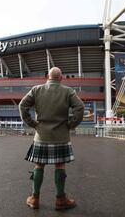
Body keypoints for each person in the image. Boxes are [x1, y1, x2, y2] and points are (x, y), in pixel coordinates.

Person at [19, 67, 84, 210]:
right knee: (60, 166)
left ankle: (34, 198)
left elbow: (22, 105)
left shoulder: (36, 89)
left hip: (41, 136)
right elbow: (79, 107)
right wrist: (71, 124)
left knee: (39, 165)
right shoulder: (68, 91)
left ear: (48, 76)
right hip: (61, 136)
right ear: (61, 79)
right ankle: (61, 200)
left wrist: (32, 123)